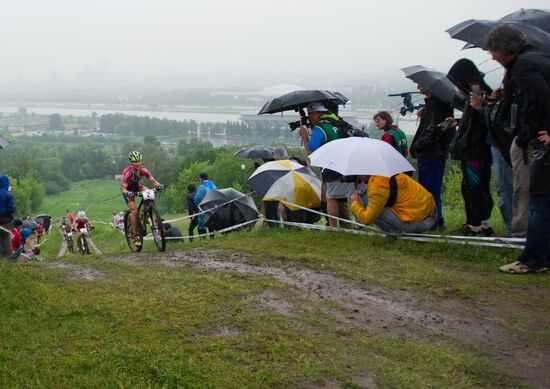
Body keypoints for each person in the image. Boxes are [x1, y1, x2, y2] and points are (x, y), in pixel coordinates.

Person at [483, 25, 550, 274]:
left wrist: (533, 134)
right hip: (536, 140)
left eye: (494, 51)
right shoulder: (539, 57)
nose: (492, 56)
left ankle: (534, 259)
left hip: (537, 144)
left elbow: (540, 98)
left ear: (506, 49)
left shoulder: (525, 65)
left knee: (538, 199)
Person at [446, 58, 494, 236]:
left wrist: (461, 143)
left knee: (472, 188)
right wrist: (457, 122)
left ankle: (473, 226)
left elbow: (477, 124)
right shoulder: (480, 92)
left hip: (473, 151)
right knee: (480, 188)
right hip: (480, 151)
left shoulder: (475, 94)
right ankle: (484, 223)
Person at [298, 102, 354, 228]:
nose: (310, 117)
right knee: (342, 199)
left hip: (331, 166)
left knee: (331, 198)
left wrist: (305, 136)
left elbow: (311, 152)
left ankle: (333, 228)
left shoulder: (321, 128)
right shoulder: (338, 122)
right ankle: (347, 226)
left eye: (310, 114)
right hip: (346, 166)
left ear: (317, 113)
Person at [410, 85, 455, 230]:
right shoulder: (436, 104)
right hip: (436, 153)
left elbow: (434, 131)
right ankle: (437, 219)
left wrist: (418, 145)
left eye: (420, 84)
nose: (417, 87)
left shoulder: (435, 106)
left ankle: (433, 221)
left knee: (429, 190)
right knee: (433, 188)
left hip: (430, 153)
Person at [350, 173, 437, 234]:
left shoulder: (377, 186)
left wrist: (355, 203)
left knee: (368, 205)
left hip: (421, 223)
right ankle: (401, 231)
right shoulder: (387, 173)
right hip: (431, 214)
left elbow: (367, 219)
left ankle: (392, 234)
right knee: (373, 203)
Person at [120, 151, 162, 246]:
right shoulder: (128, 172)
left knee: (149, 193)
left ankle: (145, 212)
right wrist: (129, 193)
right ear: (131, 163)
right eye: (135, 162)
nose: (137, 163)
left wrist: (159, 185)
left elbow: (153, 181)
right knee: (134, 211)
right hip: (127, 190)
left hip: (137, 186)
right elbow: (123, 189)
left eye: (138, 161)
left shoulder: (143, 169)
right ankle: (135, 236)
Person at [194, 172, 217, 237]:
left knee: (202, 224)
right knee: (211, 223)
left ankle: (203, 239)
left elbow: (198, 198)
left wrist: (195, 200)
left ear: (201, 178)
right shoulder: (213, 184)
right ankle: (212, 238)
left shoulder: (202, 186)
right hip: (213, 207)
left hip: (204, 208)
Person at [0, 175, 15, 258]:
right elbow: (11, 208)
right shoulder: (8, 194)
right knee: (7, 239)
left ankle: (0, 258)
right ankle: (9, 258)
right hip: (7, 220)